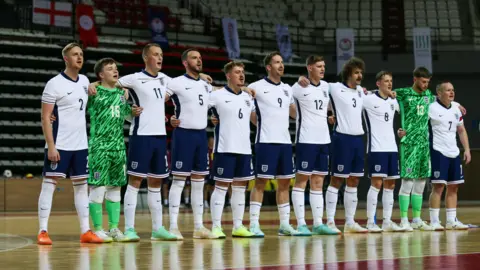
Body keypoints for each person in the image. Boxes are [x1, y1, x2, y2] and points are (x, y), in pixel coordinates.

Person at [38, 43, 103, 245]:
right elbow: (46, 117)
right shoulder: (54, 84)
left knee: (82, 186)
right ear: (66, 58)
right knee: (49, 185)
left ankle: (85, 231)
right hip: (60, 144)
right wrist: (51, 145)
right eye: (75, 54)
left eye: (81, 54)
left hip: (81, 145)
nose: (79, 57)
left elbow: (100, 85)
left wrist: (97, 86)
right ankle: (42, 231)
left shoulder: (84, 80)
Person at [87, 58, 143, 242]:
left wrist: (133, 112)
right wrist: (90, 85)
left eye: (116, 68)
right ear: (101, 75)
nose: (115, 71)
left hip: (118, 147)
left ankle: (113, 228)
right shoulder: (93, 92)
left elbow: (126, 116)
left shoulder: (121, 94)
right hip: (99, 147)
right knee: (98, 187)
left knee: (115, 187)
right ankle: (97, 229)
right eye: (110, 69)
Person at [166, 49, 217, 239]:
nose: (199, 60)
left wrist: (242, 89)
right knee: (179, 181)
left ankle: (199, 227)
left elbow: (218, 96)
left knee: (199, 183)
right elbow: (156, 99)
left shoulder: (205, 84)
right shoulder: (176, 82)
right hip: (184, 135)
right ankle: (172, 226)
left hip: (201, 137)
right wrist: (168, 117)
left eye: (200, 58)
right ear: (185, 63)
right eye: (194, 58)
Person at [247, 51, 299, 236]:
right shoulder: (256, 86)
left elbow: (294, 113)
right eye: (277, 62)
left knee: (284, 183)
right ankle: (254, 224)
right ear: (269, 67)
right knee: (260, 182)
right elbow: (249, 112)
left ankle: (284, 224)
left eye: (282, 62)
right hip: (266, 141)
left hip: (285, 142)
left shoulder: (287, 89)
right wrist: (263, 125)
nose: (281, 65)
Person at [290, 55, 338, 235]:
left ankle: (318, 223)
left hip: (323, 140)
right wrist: (297, 79)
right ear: (309, 68)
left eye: (323, 66)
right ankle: (301, 224)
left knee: (318, 182)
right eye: (319, 66)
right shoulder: (298, 87)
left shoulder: (327, 87)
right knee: (301, 181)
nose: (322, 69)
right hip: (306, 140)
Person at [208, 61, 256, 238]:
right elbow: (198, 106)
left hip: (244, 149)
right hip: (225, 148)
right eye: (237, 72)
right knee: (220, 187)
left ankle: (238, 226)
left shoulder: (247, 97)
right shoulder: (217, 95)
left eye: (242, 72)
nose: (241, 75)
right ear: (228, 75)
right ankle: (216, 226)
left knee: (240, 189)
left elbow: (253, 118)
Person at [363, 71, 405, 232]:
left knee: (391, 184)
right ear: (378, 83)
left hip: (392, 148)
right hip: (376, 148)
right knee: (377, 183)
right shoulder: (368, 99)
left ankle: (387, 221)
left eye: (391, 80)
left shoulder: (393, 102)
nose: (389, 83)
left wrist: (400, 131)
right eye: (386, 81)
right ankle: (370, 221)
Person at [426, 81, 470, 230]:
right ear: (439, 93)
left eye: (453, 90)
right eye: (448, 90)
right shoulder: (431, 107)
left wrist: (467, 150)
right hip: (438, 151)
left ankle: (451, 220)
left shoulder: (456, 109)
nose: (452, 92)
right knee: (438, 186)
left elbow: (461, 130)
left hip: (454, 152)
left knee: (454, 186)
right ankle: (434, 221)